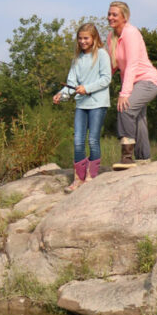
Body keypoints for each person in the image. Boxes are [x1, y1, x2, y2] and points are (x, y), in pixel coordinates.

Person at [54, 23, 111, 192]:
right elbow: (70, 84)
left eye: (86, 38)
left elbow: (106, 79)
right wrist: (61, 95)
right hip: (81, 104)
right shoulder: (77, 59)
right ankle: (78, 178)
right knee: (78, 141)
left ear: (94, 38)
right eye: (80, 38)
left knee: (93, 140)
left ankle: (91, 176)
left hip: (98, 103)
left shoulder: (101, 54)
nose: (83, 41)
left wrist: (87, 88)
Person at [106, 0, 157, 170]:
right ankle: (143, 159)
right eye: (109, 14)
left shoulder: (131, 33)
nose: (110, 17)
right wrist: (92, 85)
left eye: (114, 14)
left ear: (125, 17)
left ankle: (127, 158)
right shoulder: (111, 37)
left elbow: (132, 65)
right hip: (133, 83)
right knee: (139, 120)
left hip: (147, 81)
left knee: (126, 109)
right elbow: (112, 66)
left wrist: (124, 93)